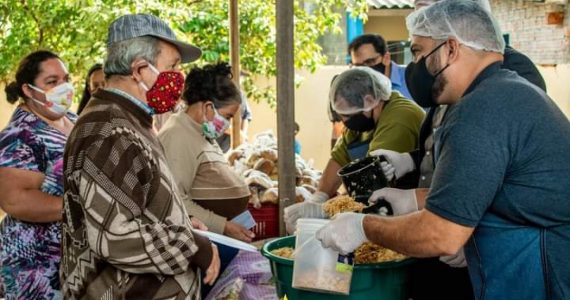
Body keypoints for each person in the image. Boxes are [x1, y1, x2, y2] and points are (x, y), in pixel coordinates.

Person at [316, 1, 570, 299]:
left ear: (450, 49)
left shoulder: (481, 110)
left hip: (541, 276)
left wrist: (363, 227)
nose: (414, 66)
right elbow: (494, 188)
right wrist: (413, 199)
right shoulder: (503, 91)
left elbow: (441, 234)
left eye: (418, 52)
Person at [61, 14, 220, 299]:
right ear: (139, 69)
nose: (177, 78)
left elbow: (132, 201)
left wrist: (178, 221)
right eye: (171, 67)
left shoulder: (128, 118)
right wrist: (192, 245)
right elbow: (114, 237)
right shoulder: (108, 132)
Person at [283, 67, 425, 232]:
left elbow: (370, 183)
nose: (344, 122)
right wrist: (318, 198)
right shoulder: (363, 118)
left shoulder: (399, 118)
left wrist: (324, 210)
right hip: (380, 211)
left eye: (347, 116)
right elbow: (339, 158)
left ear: (369, 100)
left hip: (408, 218)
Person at [0, 50, 76, 299]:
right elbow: (15, 200)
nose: (63, 87)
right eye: (52, 82)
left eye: (65, 79)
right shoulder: (20, 134)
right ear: (29, 90)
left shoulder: (74, 120)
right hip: (34, 266)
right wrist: (81, 209)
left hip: (72, 259)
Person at [158, 62, 254, 243]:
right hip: (199, 239)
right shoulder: (178, 135)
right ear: (208, 107)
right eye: (227, 117)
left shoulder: (200, 131)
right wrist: (224, 226)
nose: (227, 124)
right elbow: (176, 199)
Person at [348, 34, 413, 99]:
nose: (364, 70)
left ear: (386, 57)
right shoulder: (355, 89)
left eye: (369, 62)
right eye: (358, 66)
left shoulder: (411, 78)